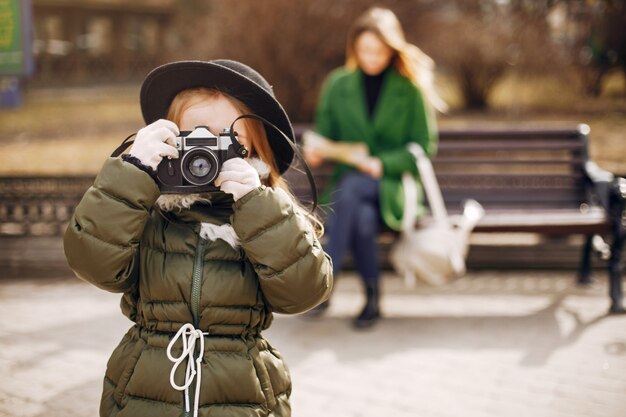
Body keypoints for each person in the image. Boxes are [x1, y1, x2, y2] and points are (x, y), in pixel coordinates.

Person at [63, 59, 333, 417]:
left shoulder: (271, 215)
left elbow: (304, 293)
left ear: (254, 149)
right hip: (144, 391)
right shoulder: (148, 212)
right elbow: (92, 263)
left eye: (226, 139)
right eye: (195, 135)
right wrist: (131, 176)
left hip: (242, 397)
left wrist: (260, 208)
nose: (205, 154)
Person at [305, 7, 445, 328]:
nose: (371, 58)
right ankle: (372, 300)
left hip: (394, 187)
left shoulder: (408, 88)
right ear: (354, 48)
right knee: (363, 218)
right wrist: (318, 151)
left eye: (378, 51)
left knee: (353, 187)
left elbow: (423, 146)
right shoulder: (338, 84)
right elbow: (326, 134)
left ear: (392, 48)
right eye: (364, 50)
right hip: (353, 193)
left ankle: (326, 281)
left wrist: (382, 164)